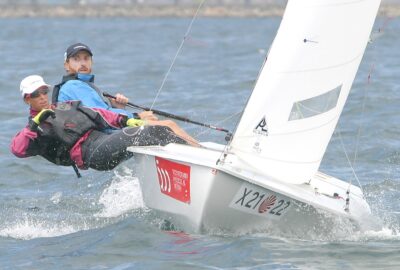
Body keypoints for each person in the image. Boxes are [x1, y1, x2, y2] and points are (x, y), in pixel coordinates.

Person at [11, 75, 197, 176]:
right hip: (91, 154)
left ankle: (193, 160)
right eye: (36, 94)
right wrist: (34, 124)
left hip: (103, 140)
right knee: (150, 133)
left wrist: (128, 120)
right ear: (27, 99)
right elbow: (17, 150)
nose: (43, 96)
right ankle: (196, 163)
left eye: (44, 91)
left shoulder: (63, 106)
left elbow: (99, 114)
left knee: (157, 132)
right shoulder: (35, 129)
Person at [53, 42, 155, 121]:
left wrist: (118, 108)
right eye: (76, 59)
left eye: (86, 58)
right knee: (167, 124)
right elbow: (100, 115)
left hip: (99, 136)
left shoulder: (86, 86)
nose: (83, 63)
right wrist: (137, 116)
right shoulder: (73, 85)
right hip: (91, 141)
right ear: (66, 65)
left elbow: (103, 117)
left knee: (159, 123)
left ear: (91, 62)